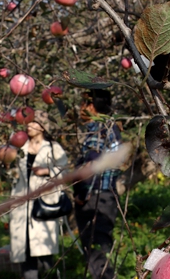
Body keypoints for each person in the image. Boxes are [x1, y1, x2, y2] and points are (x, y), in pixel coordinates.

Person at [9, 109, 69, 279]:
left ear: (43, 126)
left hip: (44, 204)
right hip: (21, 205)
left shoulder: (53, 147)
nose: (29, 125)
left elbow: (65, 172)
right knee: (26, 252)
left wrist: (48, 171)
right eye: (28, 122)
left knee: (45, 254)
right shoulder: (20, 147)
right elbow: (11, 170)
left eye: (33, 122)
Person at [73, 89, 122, 279]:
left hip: (95, 197)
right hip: (107, 196)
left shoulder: (98, 129)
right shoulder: (112, 128)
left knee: (95, 253)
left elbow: (92, 163)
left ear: (91, 106)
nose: (80, 109)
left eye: (82, 104)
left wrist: (83, 193)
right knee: (102, 248)